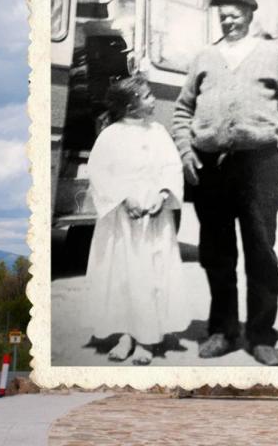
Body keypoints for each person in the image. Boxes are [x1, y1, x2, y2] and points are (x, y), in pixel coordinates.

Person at [172, 0, 278, 366]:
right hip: (210, 166)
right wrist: (186, 151)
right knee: (217, 254)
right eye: (223, 17)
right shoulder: (204, 57)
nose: (228, 22)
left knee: (262, 253)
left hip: (259, 165)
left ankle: (262, 335)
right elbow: (182, 110)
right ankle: (223, 331)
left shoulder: (273, 55)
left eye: (235, 16)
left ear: (250, 15)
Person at [83, 75, 187, 366]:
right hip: (122, 218)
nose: (154, 99)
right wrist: (122, 198)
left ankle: (147, 339)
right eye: (148, 95)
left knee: (151, 274)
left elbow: (171, 167)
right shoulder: (111, 135)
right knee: (124, 276)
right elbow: (99, 172)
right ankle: (127, 335)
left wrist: (163, 195)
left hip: (153, 218)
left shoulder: (158, 133)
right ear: (130, 105)